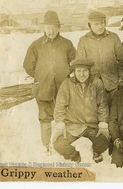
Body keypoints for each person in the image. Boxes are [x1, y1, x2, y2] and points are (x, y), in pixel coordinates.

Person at [23, 10, 76, 154]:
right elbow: (28, 65)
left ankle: (62, 145)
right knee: (45, 118)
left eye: (53, 27)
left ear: (59, 27)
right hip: (43, 89)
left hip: (62, 89)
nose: (50, 30)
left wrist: (66, 72)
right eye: (47, 27)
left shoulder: (67, 44)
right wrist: (40, 76)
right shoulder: (36, 45)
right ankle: (46, 146)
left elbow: (75, 62)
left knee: (63, 117)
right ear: (43, 28)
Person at [53, 58, 110, 163]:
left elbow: (102, 105)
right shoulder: (67, 84)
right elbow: (60, 106)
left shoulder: (97, 83)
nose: (82, 74)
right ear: (74, 72)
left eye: (85, 71)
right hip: (73, 126)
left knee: (105, 140)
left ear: (89, 71)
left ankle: (96, 152)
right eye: (78, 71)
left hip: (92, 126)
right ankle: (74, 155)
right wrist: (60, 123)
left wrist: (103, 122)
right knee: (58, 144)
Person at [76, 11, 123, 100]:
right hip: (92, 87)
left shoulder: (113, 37)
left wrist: (121, 79)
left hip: (112, 85)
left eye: (102, 23)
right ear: (89, 25)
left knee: (113, 112)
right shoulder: (83, 41)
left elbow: (122, 59)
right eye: (96, 24)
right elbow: (80, 65)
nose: (100, 26)